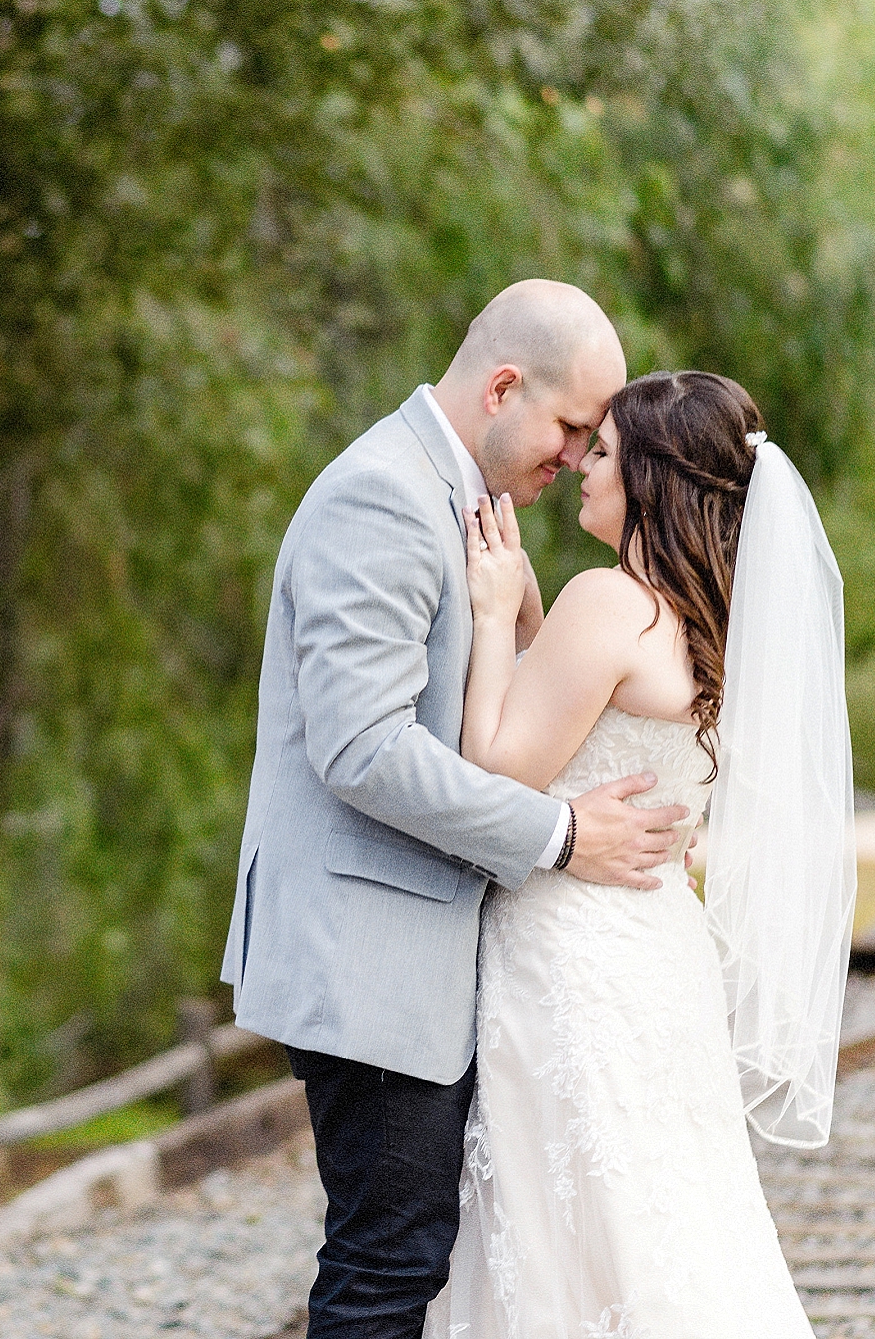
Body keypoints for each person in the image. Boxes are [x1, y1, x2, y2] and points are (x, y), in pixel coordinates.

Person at [220, 281, 694, 1335]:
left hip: (410, 951)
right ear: (501, 387)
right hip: (368, 948)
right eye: (570, 427)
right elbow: (363, 748)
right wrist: (562, 837)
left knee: (406, 1253)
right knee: (388, 1263)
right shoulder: (382, 497)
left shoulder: (452, 497)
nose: (575, 457)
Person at [427, 369, 852, 1335]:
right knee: (667, 1227)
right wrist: (536, 623)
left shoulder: (610, 600)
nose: (580, 463)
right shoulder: (717, 620)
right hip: (660, 956)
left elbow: (494, 767)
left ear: (651, 481)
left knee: (567, 1235)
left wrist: (494, 617)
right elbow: (586, 724)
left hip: (571, 955)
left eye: (605, 453)